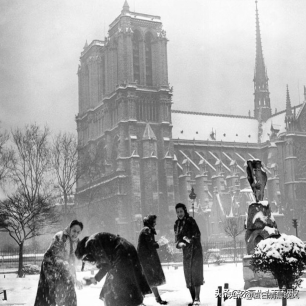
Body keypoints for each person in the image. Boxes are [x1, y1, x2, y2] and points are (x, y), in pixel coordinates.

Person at [75, 232, 151, 306]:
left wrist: (95, 279)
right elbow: (107, 265)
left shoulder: (91, 243)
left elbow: (107, 265)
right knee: (127, 281)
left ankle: (127, 301)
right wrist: (95, 279)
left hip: (121, 252)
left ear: (85, 254)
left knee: (114, 287)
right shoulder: (93, 241)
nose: (87, 261)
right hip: (127, 249)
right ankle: (131, 300)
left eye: (85, 259)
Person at [34, 219, 84, 306]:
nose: (75, 234)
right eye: (74, 231)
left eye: (78, 232)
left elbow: (71, 262)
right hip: (50, 268)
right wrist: (72, 277)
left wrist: (74, 278)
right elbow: (57, 259)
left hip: (63, 268)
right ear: (69, 228)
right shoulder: (60, 237)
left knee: (70, 294)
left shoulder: (75, 242)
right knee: (51, 295)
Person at [174, 203, 204, 306]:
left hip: (195, 251)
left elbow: (197, 234)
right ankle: (193, 299)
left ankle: (197, 298)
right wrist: (179, 244)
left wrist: (188, 239)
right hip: (186, 253)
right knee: (188, 276)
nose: (179, 214)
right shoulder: (176, 224)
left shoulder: (191, 221)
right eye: (178, 212)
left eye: (181, 211)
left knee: (196, 275)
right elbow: (177, 240)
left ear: (185, 211)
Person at [137, 215, 167, 305]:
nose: (155, 223)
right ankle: (140, 301)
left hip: (146, 259)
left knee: (149, 279)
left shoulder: (147, 230)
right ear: (150, 222)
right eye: (154, 222)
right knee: (147, 279)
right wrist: (160, 243)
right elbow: (150, 245)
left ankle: (157, 299)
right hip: (146, 260)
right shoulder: (147, 230)